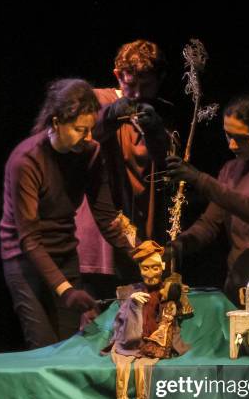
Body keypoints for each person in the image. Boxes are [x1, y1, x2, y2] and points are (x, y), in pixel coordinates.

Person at [0, 78, 134, 349]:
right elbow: (29, 239)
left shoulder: (90, 152)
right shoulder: (26, 161)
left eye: (90, 130)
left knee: (68, 345)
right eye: (79, 130)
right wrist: (66, 290)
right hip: (25, 259)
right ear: (56, 121)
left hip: (64, 253)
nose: (87, 138)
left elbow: (107, 217)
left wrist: (139, 251)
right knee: (43, 346)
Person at [166, 92, 249, 310]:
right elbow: (209, 224)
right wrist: (179, 245)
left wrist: (199, 179)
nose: (232, 145)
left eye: (242, 138)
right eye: (228, 135)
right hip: (238, 285)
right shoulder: (230, 170)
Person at [75, 39, 174, 297]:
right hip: (98, 241)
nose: (138, 94)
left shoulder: (156, 113)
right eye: (131, 85)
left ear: (160, 80)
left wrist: (154, 130)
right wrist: (113, 113)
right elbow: (86, 134)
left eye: (147, 85)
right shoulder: (97, 100)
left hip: (136, 239)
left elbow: (165, 166)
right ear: (118, 75)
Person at [101, 241, 190, 399]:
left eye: (155, 268)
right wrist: (131, 303)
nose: (150, 274)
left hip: (153, 343)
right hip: (131, 342)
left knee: (143, 370)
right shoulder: (131, 292)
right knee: (122, 370)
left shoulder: (166, 291)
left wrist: (175, 293)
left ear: (163, 267)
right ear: (140, 269)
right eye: (146, 268)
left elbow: (175, 313)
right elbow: (121, 320)